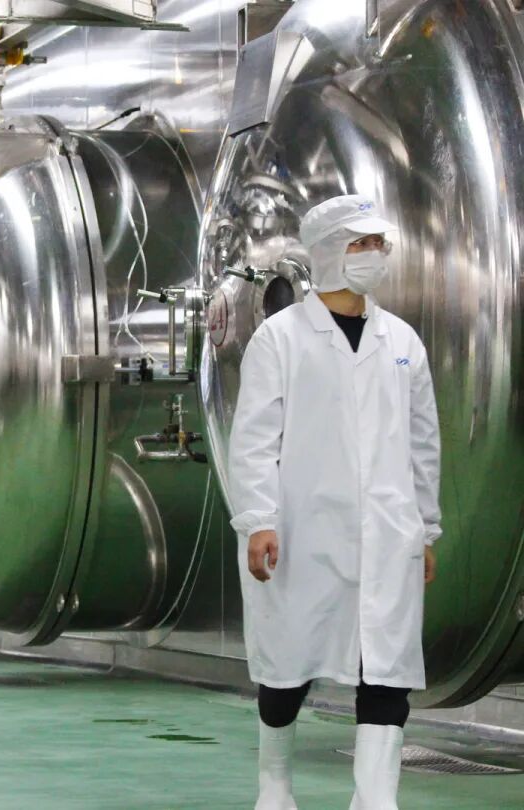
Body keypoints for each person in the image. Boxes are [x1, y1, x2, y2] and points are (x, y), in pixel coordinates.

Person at [228, 195, 441, 810]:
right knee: (287, 665)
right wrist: (258, 521)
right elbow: (254, 439)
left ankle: (375, 798)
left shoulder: (401, 341)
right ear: (325, 253)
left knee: (387, 668)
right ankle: (275, 784)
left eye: (378, 244)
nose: (374, 255)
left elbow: (423, 442)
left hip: (389, 533)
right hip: (304, 529)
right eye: (359, 244)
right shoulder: (280, 338)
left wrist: (426, 528)